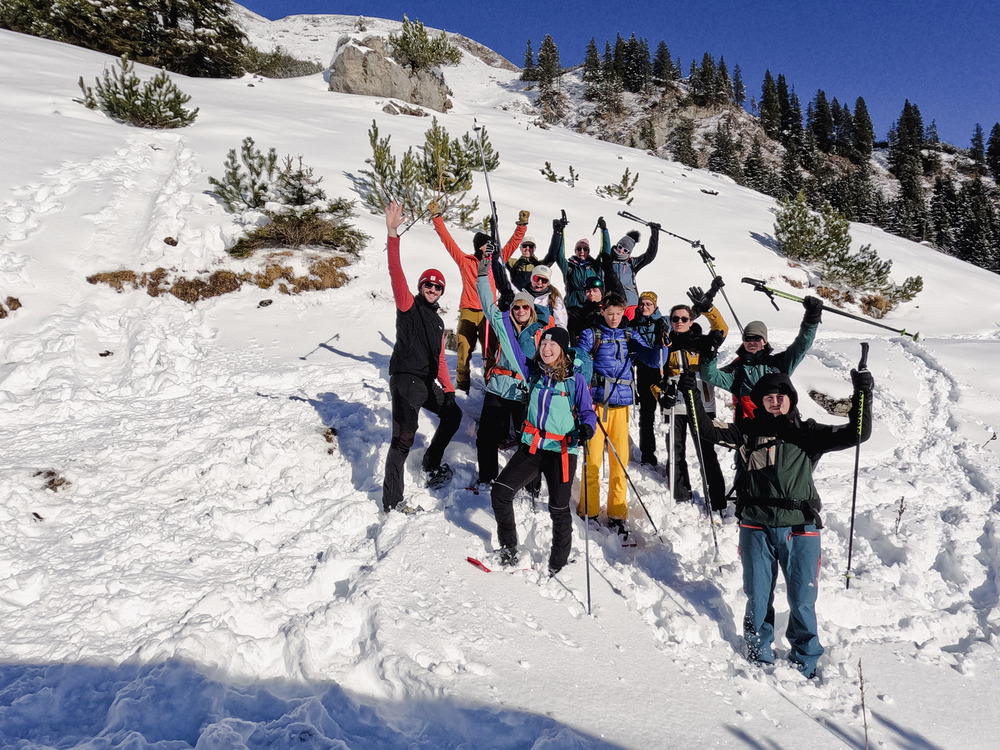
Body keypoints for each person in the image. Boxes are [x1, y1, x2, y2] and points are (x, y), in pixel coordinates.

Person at [682, 366, 873, 678]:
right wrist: (691, 391)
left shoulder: (809, 433)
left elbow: (858, 433)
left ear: (791, 400)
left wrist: (863, 393)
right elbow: (706, 429)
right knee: (758, 595)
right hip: (755, 526)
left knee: (802, 598)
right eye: (768, 397)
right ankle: (758, 652)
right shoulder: (746, 432)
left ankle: (806, 659)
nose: (775, 401)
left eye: (781, 396)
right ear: (760, 402)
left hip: (801, 528)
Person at [490, 326, 597, 575]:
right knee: (500, 493)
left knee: (558, 509)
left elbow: (587, 412)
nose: (546, 349)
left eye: (553, 345)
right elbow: (511, 346)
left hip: (562, 451)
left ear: (562, 349)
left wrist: (586, 429)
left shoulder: (575, 380)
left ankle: (558, 563)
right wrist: (504, 316)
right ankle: (509, 549)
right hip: (533, 448)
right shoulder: (534, 372)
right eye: (543, 344)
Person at [382, 202, 463, 513]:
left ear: (441, 292)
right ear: (420, 287)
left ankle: (430, 462)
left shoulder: (439, 322)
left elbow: (440, 360)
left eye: (437, 286)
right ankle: (392, 502)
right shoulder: (408, 305)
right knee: (404, 437)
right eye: (428, 284)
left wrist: (450, 392)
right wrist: (392, 234)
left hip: (426, 384)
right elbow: (395, 272)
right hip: (405, 379)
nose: (432, 288)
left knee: (453, 415)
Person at [576, 292, 660, 539]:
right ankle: (589, 511)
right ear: (602, 311)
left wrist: (660, 342)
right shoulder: (592, 334)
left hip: (621, 406)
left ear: (624, 312)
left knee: (619, 463)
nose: (614, 318)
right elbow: (580, 361)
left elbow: (653, 360)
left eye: (618, 313)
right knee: (592, 461)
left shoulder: (629, 335)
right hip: (596, 406)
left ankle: (617, 514)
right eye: (610, 313)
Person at [429, 200, 528, 393]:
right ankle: (462, 385)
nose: (490, 247)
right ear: (479, 246)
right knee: (463, 349)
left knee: (490, 350)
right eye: (487, 245)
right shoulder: (465, 261)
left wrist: (522, 226)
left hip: (488, 311)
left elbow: (512, 244)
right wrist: (436, 217)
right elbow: (447, 241)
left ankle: (490, 382)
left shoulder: (495, 261)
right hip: (468, 310)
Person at [476, 260, 545, 484]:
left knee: (528, 440)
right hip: (498, 388)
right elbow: (488, 306)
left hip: (523, 392)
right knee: (486, 436)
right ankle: (488, 478)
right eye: (516, 307)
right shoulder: (503, 325)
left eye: (525, 307)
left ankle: (529, 483)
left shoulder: (539, 333)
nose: (520, 311)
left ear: (531, 310)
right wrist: (482, 276)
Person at [661, 282, 729, 508]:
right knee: (675, 450)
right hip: (674, 404)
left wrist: (708, 307)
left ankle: (717, 499)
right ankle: (681, 494)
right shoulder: (665, 345)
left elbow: (722, 329)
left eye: (684, 318)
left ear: (691, 321)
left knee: (706, 451)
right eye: (675, 319)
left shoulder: (703, 342)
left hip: (701, 404)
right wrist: (661, 395)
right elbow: (655, 376)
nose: (679, 322)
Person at [701, 296, 823, 420]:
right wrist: (709, 355)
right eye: (747, 338)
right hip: (749, 428)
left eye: (756, 338)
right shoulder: (736, 370)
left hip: (781, 426)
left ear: (764, 341)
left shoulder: (779, 363)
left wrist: (811, 318)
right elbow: (709, 376)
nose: (751, 342)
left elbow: (802, 345)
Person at [627, 291, 669, 468]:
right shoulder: (633, 325)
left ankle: (672, 455)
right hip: (644, 373)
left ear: (655, 306)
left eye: (648, 304)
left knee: (668, 415)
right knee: (646, 415)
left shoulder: (664, 322)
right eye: (642, 304)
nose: (644, 307)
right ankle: (647, 454)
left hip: (663, 372)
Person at [600, 218, 660, 319]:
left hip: (631, 303)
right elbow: (604, 248)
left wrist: (655, 233)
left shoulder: (631, 263)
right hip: (613, 303)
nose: (621, 251)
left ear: (629, 252)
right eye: (620, 247)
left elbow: (649, 255)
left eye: (625, 250)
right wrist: (604, 230)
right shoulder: (608, 261)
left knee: (630, 327)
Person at [527, 265, 568, 329]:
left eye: (544, 280)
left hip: (546, 333)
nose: (539, 283)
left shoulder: (554, 299)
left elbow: (561, 323)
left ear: (548, 283)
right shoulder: (522, 295)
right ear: (531, 279)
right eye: (536, 278)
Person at [568, 277, 604, 343]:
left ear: (601, 294)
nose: (591, 294)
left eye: (595, 291)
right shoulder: (579, 311)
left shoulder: (607, 309)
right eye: (588, 291)